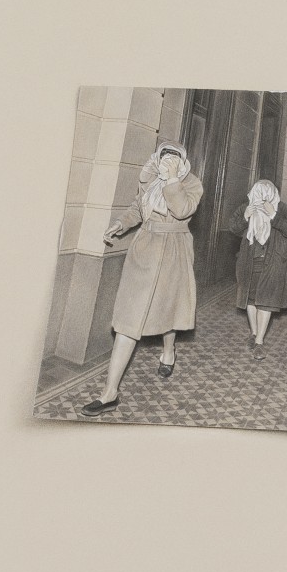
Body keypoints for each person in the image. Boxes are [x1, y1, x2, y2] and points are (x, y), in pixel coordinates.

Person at [81, 143, 204, 417]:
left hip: (174, 252)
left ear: (182, 161)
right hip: (144, 250)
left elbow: (182, 209)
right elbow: (138, 208)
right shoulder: (150, 179)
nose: (168, 163)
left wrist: (172, 180)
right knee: (129, 318)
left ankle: (169, 351)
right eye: (164, 158)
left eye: (174, 159)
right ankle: (110, 393)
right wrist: (121, 224)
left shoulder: (192, 184)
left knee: (167, 309)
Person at [226, 179, 287, 359]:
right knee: (251, 299)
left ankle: (259, 342)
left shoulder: (283, 209)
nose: (263, 197)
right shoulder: (246, 207)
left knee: (266, 300)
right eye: (259, 192)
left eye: (267, 193)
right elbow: (233, 228)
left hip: (273, 263)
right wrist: (245, 217)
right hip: (250, 261)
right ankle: (254, 332)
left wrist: (274, 215)